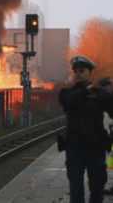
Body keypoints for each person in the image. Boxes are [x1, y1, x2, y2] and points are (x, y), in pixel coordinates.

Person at [59, 55, 113, 203]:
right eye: (75, 71)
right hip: (75, 148)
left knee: (97, 188)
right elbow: (69, 102)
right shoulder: (66, 93)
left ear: (90, 72)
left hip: (96, 147)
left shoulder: (100, 94)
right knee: (76, 190)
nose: (78, 73)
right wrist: (87, 90)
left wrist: (108, 93)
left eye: (82, 70)